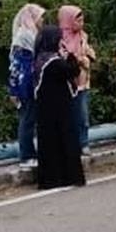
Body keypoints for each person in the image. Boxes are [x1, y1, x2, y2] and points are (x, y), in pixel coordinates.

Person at [33, 25, 86, 189]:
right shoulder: (53, 62)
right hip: (59, 108)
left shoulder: (40, 59)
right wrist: (71, 56)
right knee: (65, 139)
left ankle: (51, 178)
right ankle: (68, 176)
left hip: (45, 108)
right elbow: (72, 71)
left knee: (49, 142)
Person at [8, 3, 45, 169]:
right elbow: (17, 65)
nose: (42, 20)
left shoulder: (32, 35)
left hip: (32, 83)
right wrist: (15, 89)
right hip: (25, 85)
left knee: (32, 118)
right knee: (27, 119)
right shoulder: (24, 37)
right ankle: (27, 155)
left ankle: (33, 153)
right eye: (39, 17)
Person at [58, 5, 96, 155]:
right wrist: (78, 59)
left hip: (82, 81)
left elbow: (90, 53)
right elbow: (63, 57)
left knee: (83, 115)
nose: (81, 24)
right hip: (67, 83)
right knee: (69, 115)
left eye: (82, 21)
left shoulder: (83, 36)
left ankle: (84, 143)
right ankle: (69, 144)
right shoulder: (59, 38)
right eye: (77, 21)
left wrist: (87, 57)